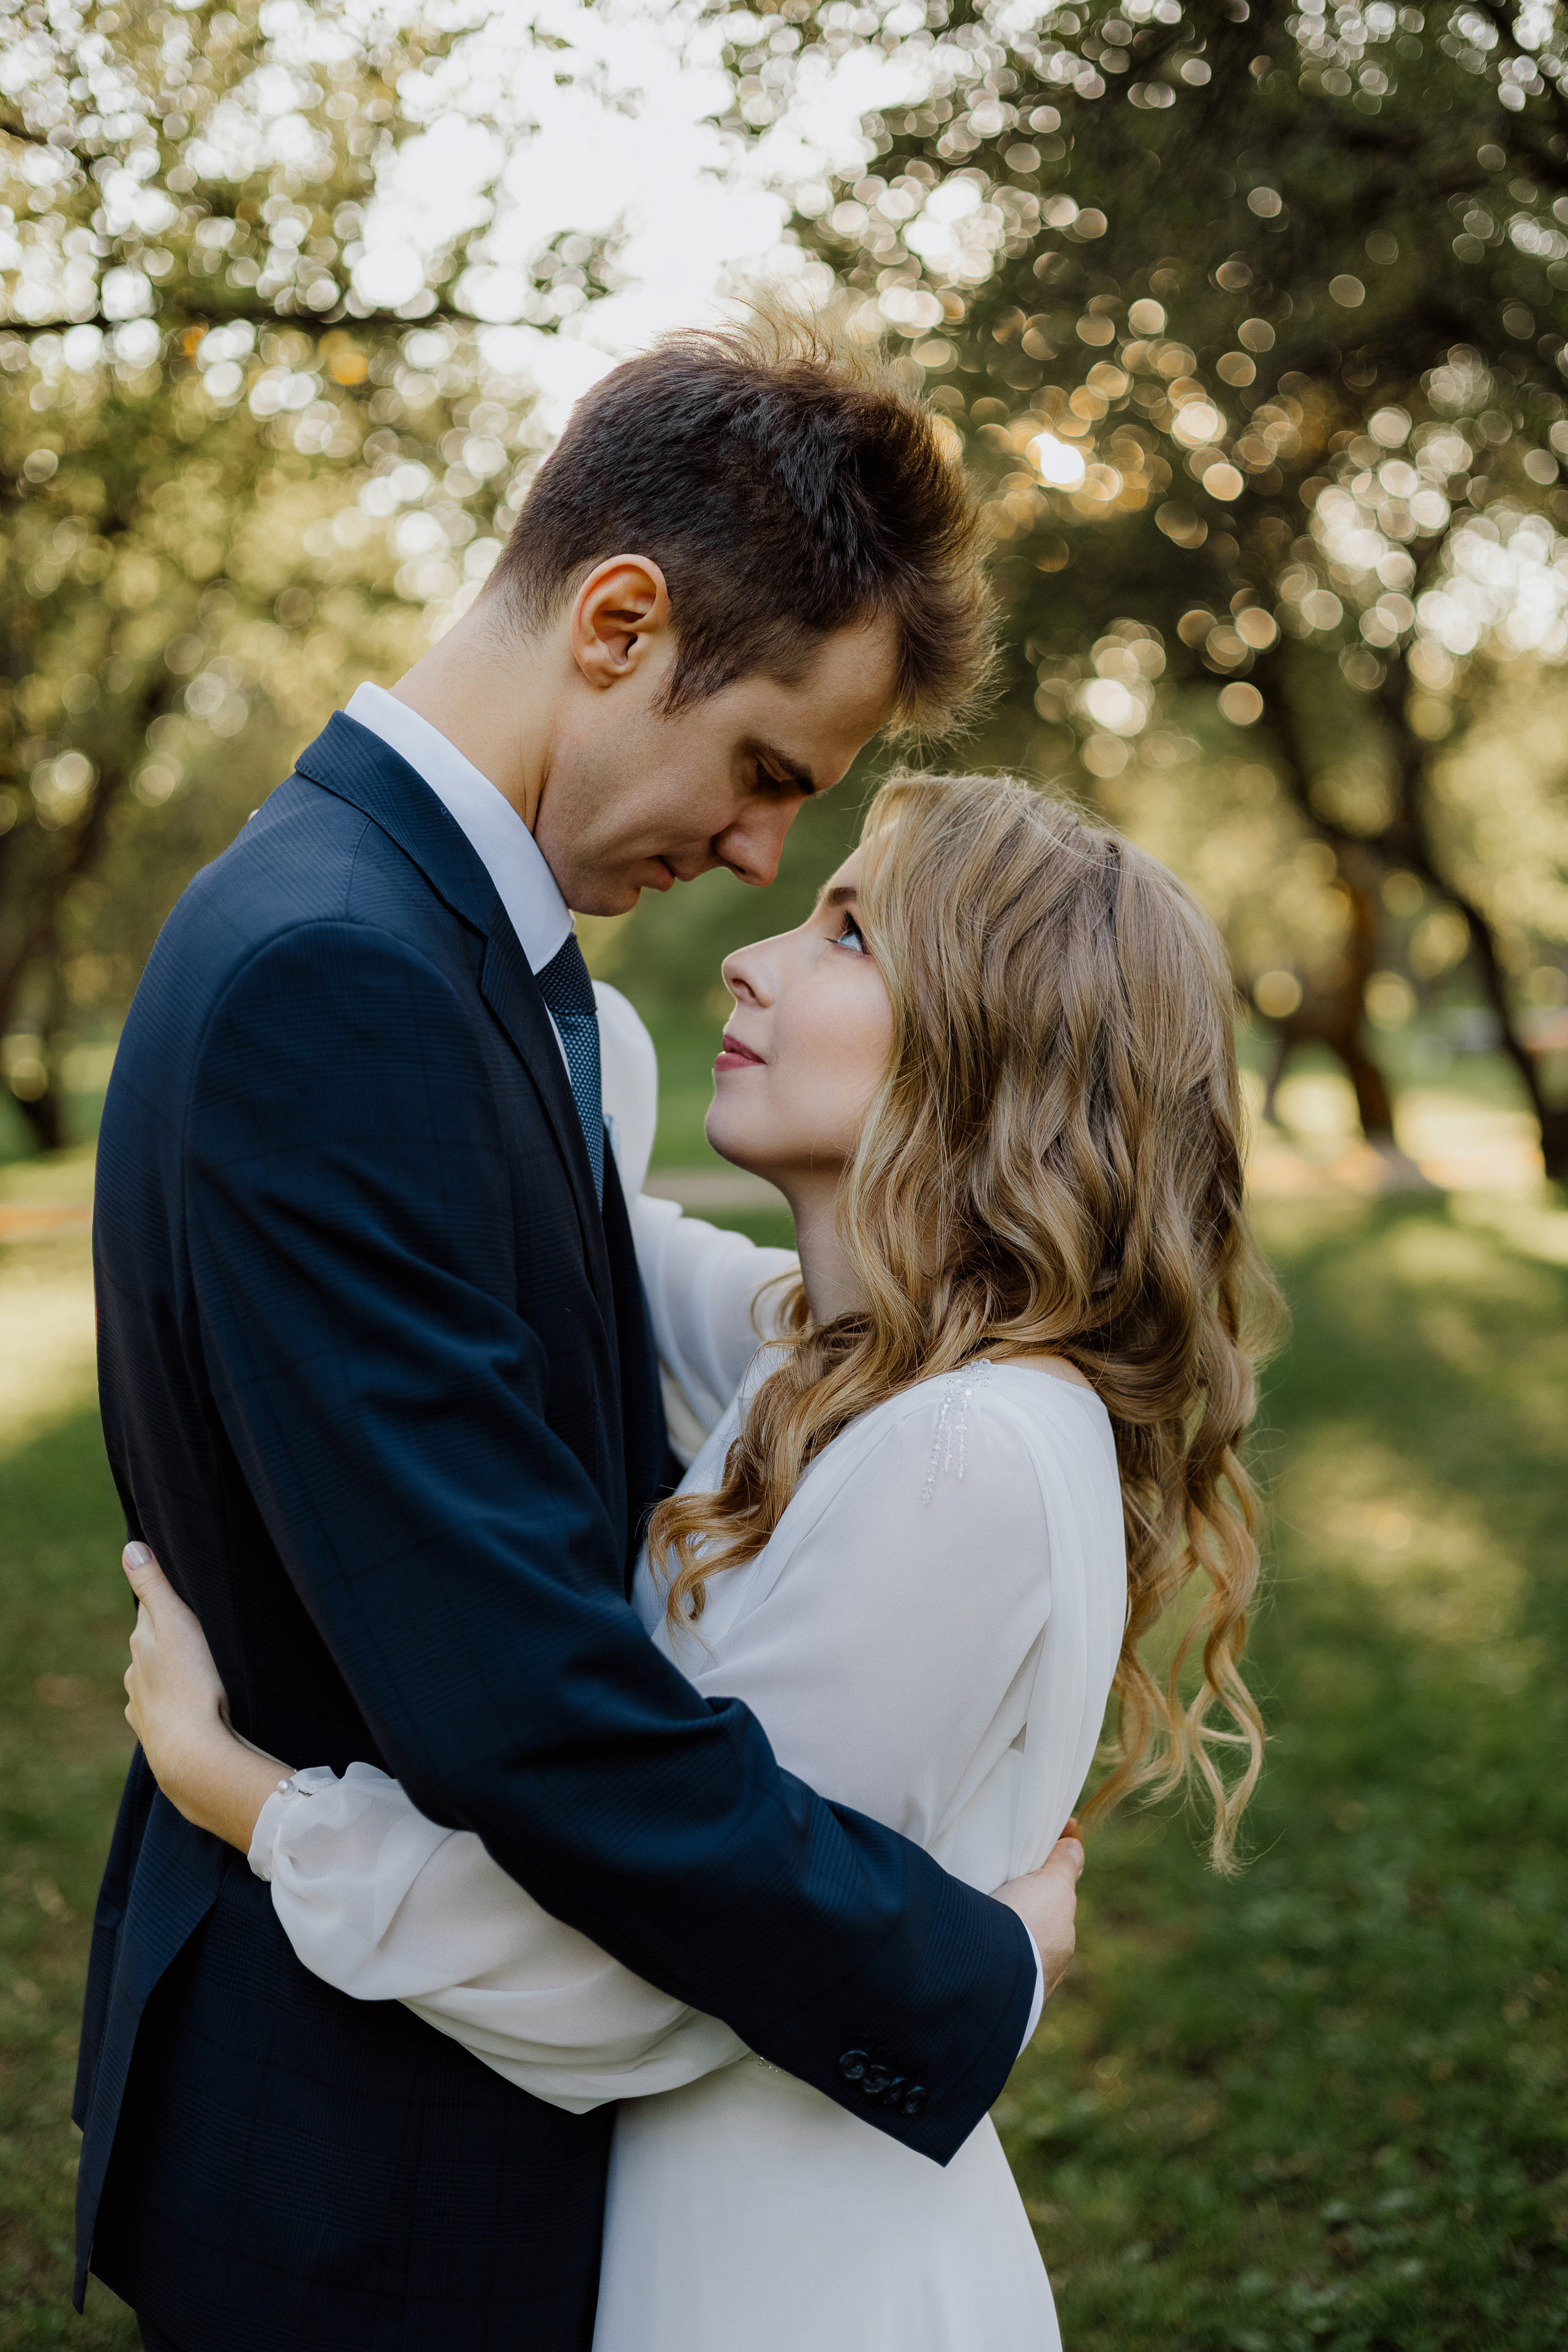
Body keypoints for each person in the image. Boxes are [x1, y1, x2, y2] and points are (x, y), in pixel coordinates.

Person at [75, 314, 1082, 2352]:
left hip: (451, 2110)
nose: (754, 856)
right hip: (368, 2167)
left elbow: (663, 1319)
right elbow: (524, 1709)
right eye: (765, 774)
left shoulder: (435, 945)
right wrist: (963, 1968)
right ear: (621, 624)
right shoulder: (339, 982)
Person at [118, 773, 1281, 2350]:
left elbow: (647, 1970)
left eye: (850, 934)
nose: (754, 954)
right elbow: (568, 1166)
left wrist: (243, 1797)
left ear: (996, 1059)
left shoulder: (967, 1456)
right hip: (691, 2232)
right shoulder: (846, 1365)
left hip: (786, 2282)